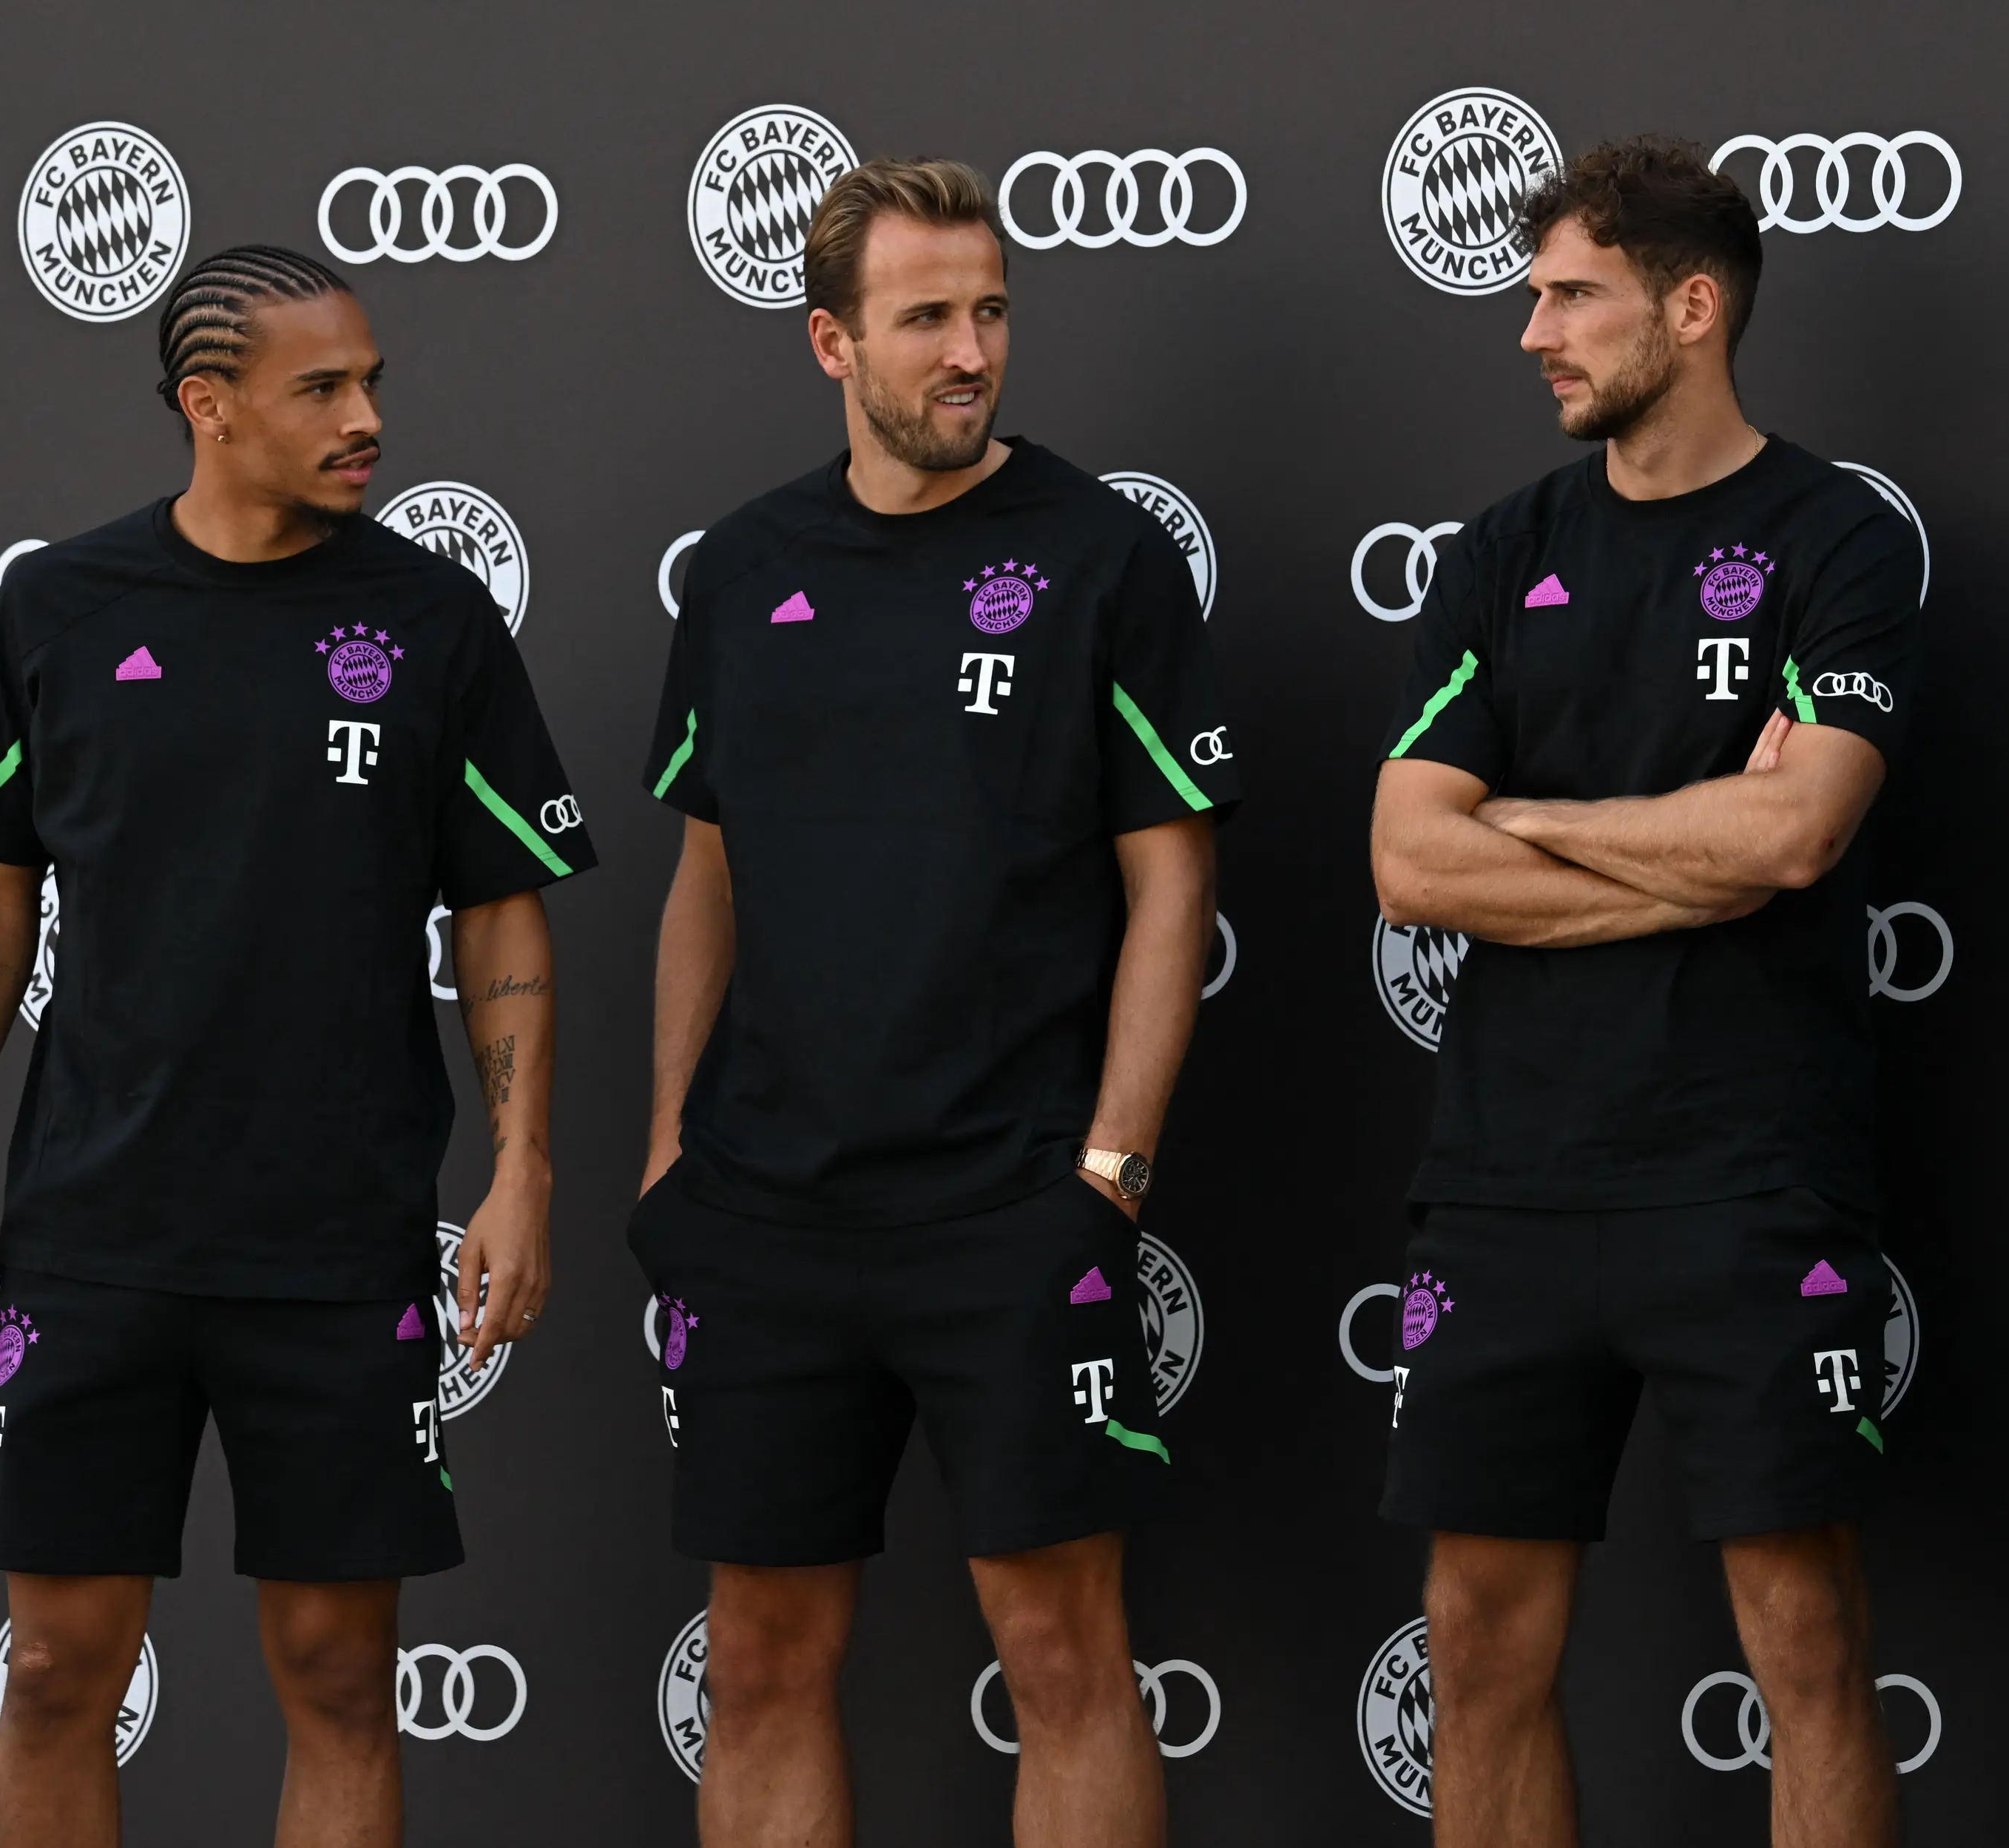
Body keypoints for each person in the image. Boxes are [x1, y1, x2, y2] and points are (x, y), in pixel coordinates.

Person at [0, 245, 590, 1848]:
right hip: (94, 1237)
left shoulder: (433, 616)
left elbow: (501, 919)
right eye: (323, 390)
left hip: (338, 1240)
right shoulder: (60, 605)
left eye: (371, 383)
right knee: (64, 1670)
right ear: (209, 410)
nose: (367, 418)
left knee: (341, 1678)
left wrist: (520, 1166)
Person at [636, 158, 1233, 1848]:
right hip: (766, 1209)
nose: (969, 352)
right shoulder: (747, 567)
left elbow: (1173, 885)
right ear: (833, 341)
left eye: (990, 313)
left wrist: (1108, 1171)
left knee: (1062, 1654)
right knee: (757, 1661)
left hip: (1008, 1204)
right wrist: (671, 1152)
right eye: (926, 319)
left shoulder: (1102, 556)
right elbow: (708, 877)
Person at [1368, 138, 1918, 1848]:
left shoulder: (1835, 534)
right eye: (1532, 294)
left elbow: (1806, 828)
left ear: (1691, 307)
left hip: (1749, 1166)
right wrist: (1689, 847)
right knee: (1475, 1646)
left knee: (1808, 1641)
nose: (1532, 330)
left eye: (1569, 295)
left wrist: (1523, 815)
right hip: (1510, 1174)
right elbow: (1409, 861)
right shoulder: (1501, 545)